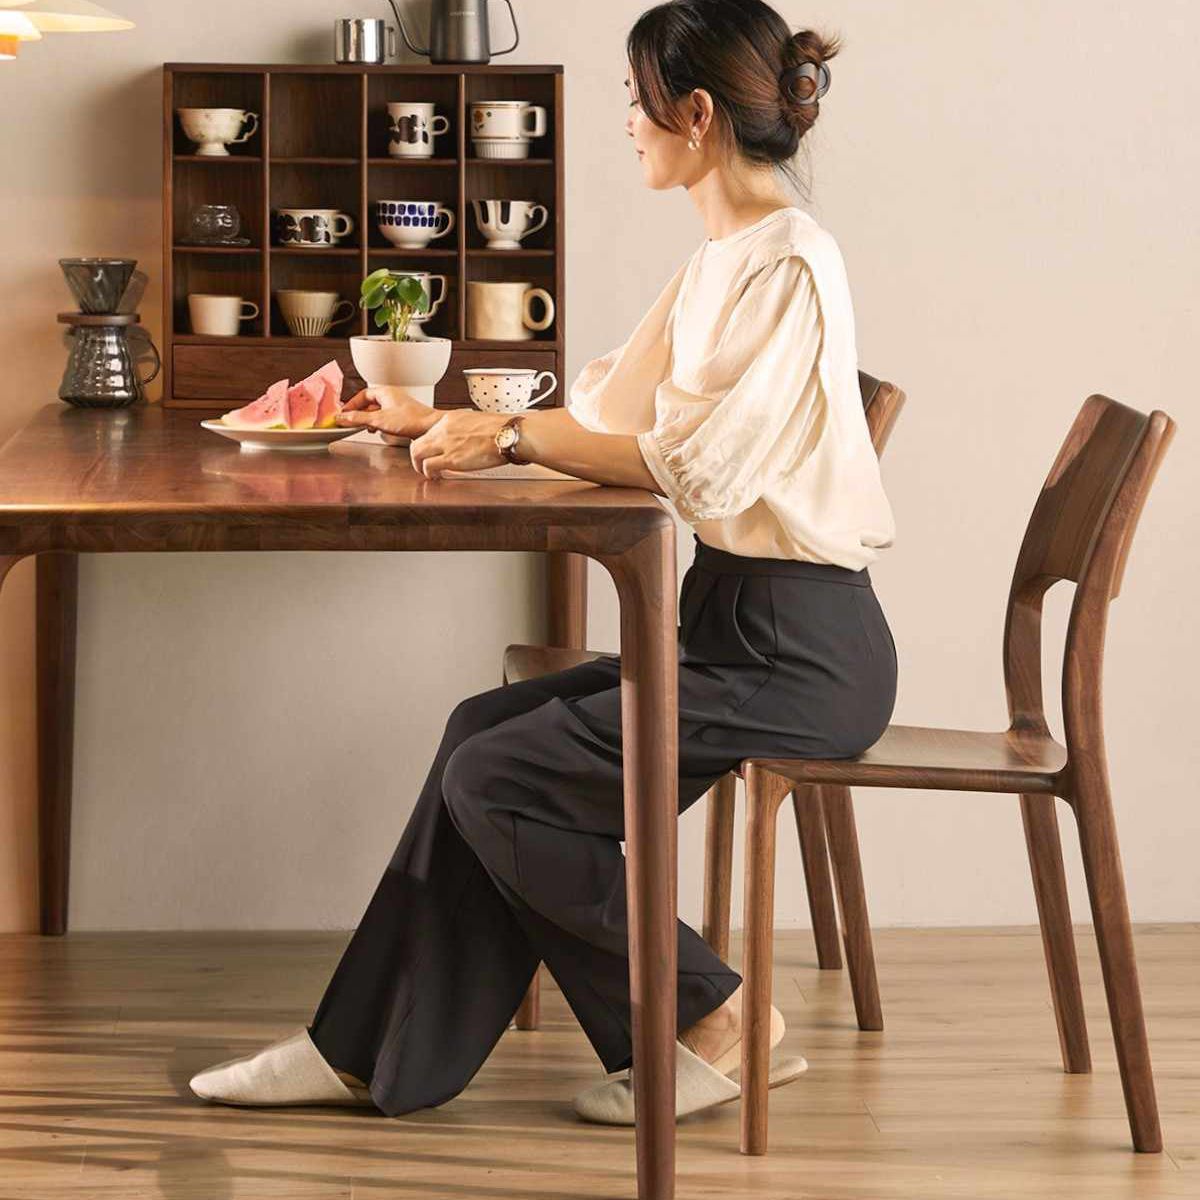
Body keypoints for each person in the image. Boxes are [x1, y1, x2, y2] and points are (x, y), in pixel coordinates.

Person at [189, 0, 898, 1125]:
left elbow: (694, 469)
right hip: (735, 631)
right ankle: (354, 1046)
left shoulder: (792, 266)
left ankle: (712, 1018)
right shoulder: (723, 260)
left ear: (696, 114)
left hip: (798, 654)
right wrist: (431, 416)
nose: (626, 121)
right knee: (484, 730)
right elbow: (612, 409)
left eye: (634, 99)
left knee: (497, 776)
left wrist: (509, 437)